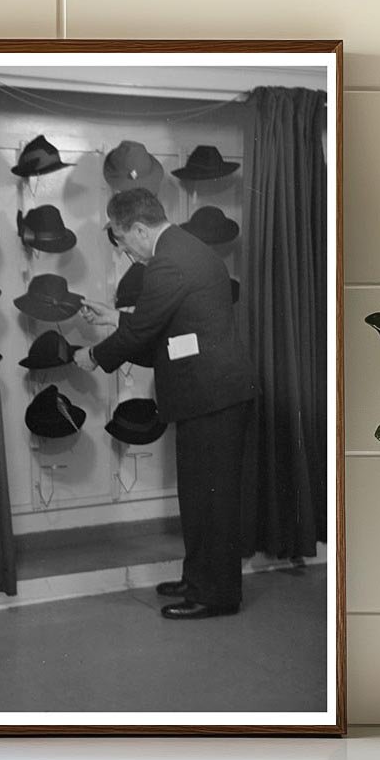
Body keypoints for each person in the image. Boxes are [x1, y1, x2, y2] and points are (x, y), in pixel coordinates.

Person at [76, 188, 257, 620]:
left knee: (210, 501)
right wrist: (113, 318)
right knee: (200, 498)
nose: (125, 252)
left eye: (122, 242)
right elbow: (167, 321)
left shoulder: (167, 261)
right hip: (209, 395)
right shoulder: (183, 251)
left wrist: (94, 355)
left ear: (138, 229)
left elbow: (143, 334)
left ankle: (216, 595)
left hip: (211, 397)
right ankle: (200, 579)